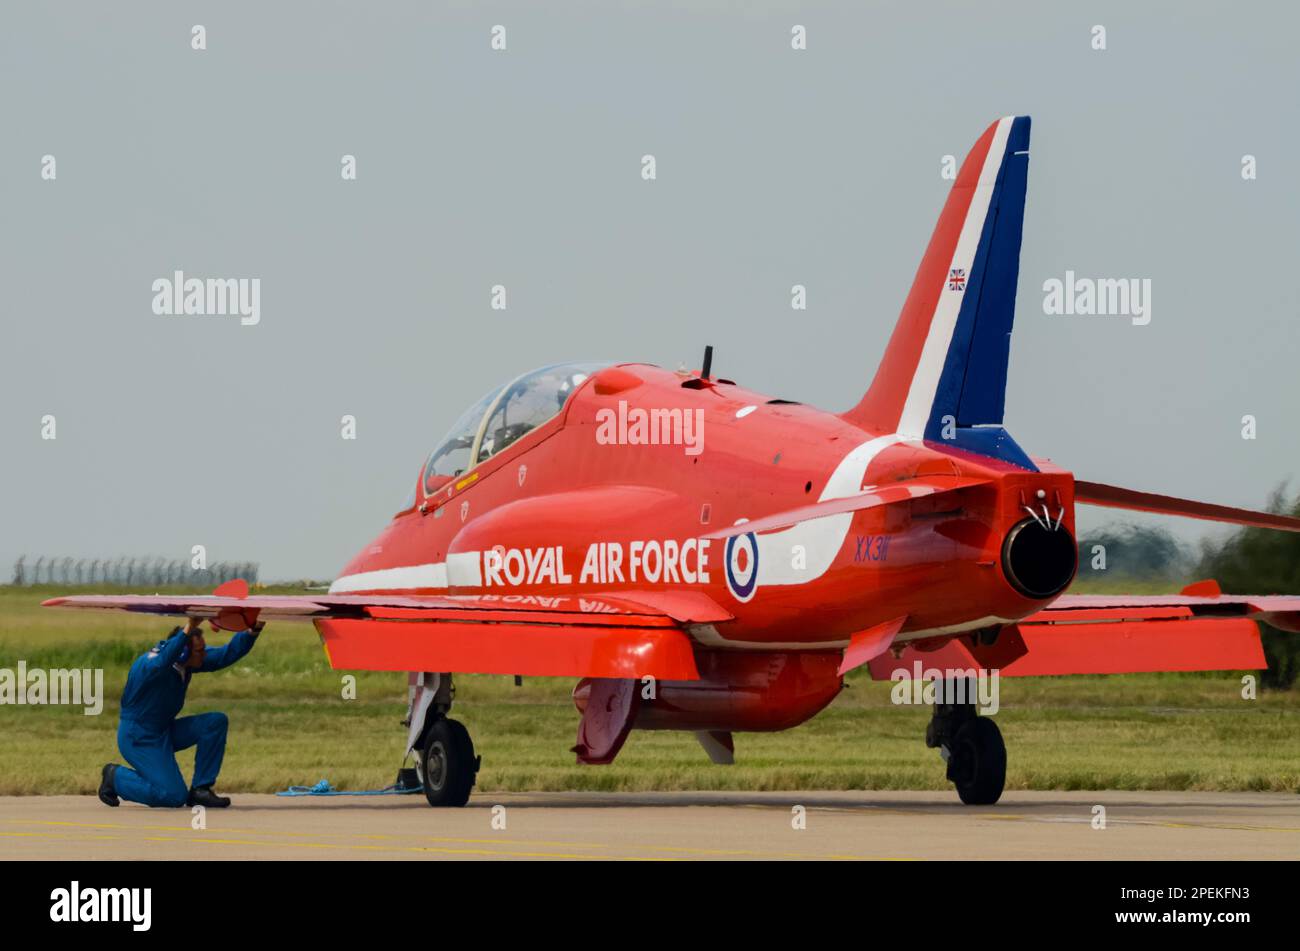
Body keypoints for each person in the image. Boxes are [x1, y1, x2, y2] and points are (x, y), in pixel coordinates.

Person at [98, 613, 263, 808]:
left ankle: (201, 790)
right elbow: (161, 661)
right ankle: (115, 777)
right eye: (200, 651)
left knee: (214, 722)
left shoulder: (186, 663)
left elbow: (226, 655)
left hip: (163, 731)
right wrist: (187, 629)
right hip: (139, 738)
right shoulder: (150, 664)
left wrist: (253, 630)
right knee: (173, 795)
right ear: (183, 653)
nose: (204, 654)